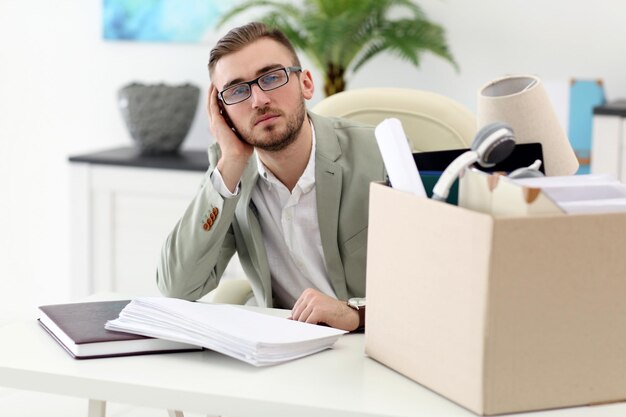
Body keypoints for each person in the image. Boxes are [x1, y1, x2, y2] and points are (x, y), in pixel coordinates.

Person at [157, 21, 385, 331]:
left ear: (305, 83)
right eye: (238, 90)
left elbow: (434, 285)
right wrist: (233, 160)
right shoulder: (229, 175)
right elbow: (176, 287)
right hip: (282, 351)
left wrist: (356, 317)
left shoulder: (379, 154)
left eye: (272, 77)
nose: (258, 100)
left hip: (375, 344)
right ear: (222, 112)